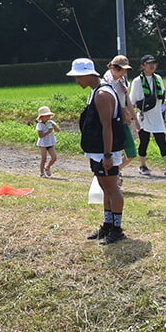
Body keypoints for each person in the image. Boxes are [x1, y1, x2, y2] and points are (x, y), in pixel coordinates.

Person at [67, 57, 126, 244]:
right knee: (104, 187)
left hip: (105, 151)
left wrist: (108, 155)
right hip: (97, 150)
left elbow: (107, 125)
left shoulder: (102, 95)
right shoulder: (95, 92)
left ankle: (117, 229)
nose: (77, 81)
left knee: (112, 188)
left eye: (79, 77)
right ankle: (108, 225)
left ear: (88, 74)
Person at [130, 55, 166, 177]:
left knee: (161, 140)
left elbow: (161, 94)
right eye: (149, 63)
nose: (152, 66)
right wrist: (133, 118)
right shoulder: (137, 81)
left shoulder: (158, 78)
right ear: (143, 66)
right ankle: (143, 165)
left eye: (154, 63)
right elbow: (132, 101)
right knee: (144, 141)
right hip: (144, 116)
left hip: (157, 115)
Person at [105, 56, 139, 173]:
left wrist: (135, 119)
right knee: (115, 152)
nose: (124, 73)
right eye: (122, 70)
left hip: (123, 120)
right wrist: (122, 111)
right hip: (111, 121)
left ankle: (114, 171)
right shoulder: (106, 82)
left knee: (131, 153)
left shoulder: (123, 81)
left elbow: (127, 99)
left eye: (125, 70)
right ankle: (112, 174)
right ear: (113, 67)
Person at [35, 105, 60, 178]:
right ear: (41, 117)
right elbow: (40, 136)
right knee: (44, 158)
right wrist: (48, 132)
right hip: (43, 143)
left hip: (50, 142)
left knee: (54, 157)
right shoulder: (39, 125)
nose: (48, 118)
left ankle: (48, 167)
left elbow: (58, 131)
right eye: (46, 116)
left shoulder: (51, 122)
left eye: (49, 116)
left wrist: (54, 126)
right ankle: (42, 172)